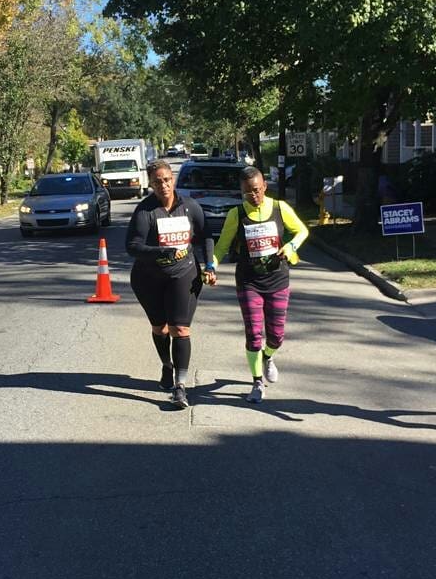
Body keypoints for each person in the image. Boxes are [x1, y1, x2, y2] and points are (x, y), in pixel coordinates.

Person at [212, 165, 309, 403]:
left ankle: (268, 355)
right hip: (249, 281)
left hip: (277, 279)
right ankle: (256, 382)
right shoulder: (236, 214)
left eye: (256, 190)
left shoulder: (279, 208)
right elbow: (222, 246)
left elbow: (302, 231)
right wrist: (211, 266)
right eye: (247, 193)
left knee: (276, 335)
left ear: (265, 186)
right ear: (241, 192)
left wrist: (291, 247)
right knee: (254, 333)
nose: (253, 196)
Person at [126, 160, 216, 409]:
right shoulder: (145, 211)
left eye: (166, 179)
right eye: (157, 181)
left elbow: (205, 236)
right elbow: (132, 247)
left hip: (183, 275)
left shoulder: (189, 207)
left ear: (173, 179)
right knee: (160, 328)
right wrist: (162, 251)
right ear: (151, 184)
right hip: (148, 278)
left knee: (180, 329)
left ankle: (180, 386)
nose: (163, 185)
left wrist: (210, 265)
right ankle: (167, 364)